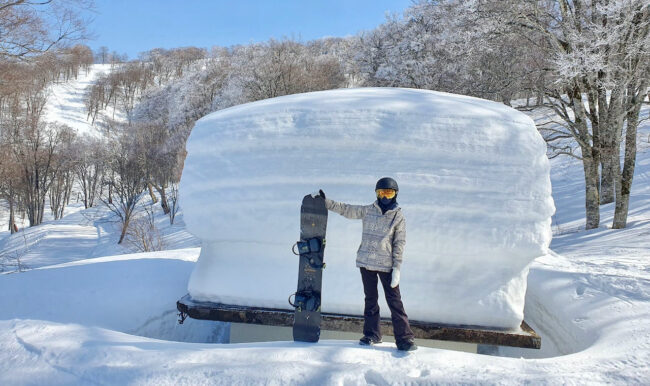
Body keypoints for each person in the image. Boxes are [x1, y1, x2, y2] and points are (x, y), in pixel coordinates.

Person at [315, 177, 417, 351]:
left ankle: (404, 339)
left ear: (395, 194)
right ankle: (372, 334)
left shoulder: (398, 216)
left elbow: (399, 243)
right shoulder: (369, 210)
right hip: (366, 262)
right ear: (376, 194)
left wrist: (396, 268)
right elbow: (347, 210)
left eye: (389, 193)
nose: (385, 197)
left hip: (386, 265)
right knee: (371, 300)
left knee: (395, 302)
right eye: (382, 193)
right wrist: (327, 203)